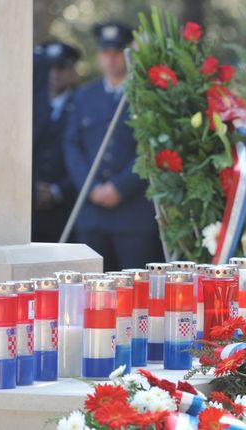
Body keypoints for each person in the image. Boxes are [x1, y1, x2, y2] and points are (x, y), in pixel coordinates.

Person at [63, 22, 163, 272]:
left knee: (135, 296)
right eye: (105, 53)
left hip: (133, 214)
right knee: (90, 295)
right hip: (92, 215)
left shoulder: (147, 96)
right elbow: (72, 145)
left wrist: (119, 186)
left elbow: (151, 147)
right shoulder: (84, 96)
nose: (111, 59)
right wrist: (91, 188)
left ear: (128, 53)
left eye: (117, 52)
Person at [32, 41, 80, 243]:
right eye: (48, 67)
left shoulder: (82, 103)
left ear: (72, 71)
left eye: (60, 67)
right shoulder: (27, 105)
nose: (54, 73)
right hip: (29, 209)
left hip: (68, 207)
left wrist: (57, 190)